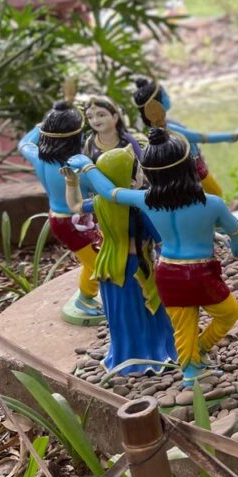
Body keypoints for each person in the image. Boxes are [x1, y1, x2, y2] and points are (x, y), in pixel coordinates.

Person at [68, 126, 238, 383]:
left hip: (168, 273)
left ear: (151, 173)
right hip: (202, 273)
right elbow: (235, 230)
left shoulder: (145, 200)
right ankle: (200, 350)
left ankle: (191, 367)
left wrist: (87, 167)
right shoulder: (212, 203)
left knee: (182, 326)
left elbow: (109, 192)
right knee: (228, 313)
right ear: (188, 168)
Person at [64, 147, 177, 375]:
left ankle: (126, 356)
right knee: (146, 313)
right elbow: (162, 242)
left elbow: (75, 206)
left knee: (122, 316)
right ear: (131, 180)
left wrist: (71, 183)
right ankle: (154, 354)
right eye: (138, 171)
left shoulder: (100, 203)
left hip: (108, 268)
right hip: (137, 271)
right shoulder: (141, 208)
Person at [18, 101, 105, 324]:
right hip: (74, 221)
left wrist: (42, 125)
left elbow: (24, 143)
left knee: (93, 259)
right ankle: (85, 299)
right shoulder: (76, 169)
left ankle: (88, 295)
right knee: (98, 264)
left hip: (58, 218)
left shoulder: (38, 158)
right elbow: (104, 191)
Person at [132, 77, 238, 197]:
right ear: (154, 106)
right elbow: (203, 137)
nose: (168, 97)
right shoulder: (169, 130)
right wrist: (235, 135)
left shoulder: (158, 130)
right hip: (196, 176)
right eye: (165, 95)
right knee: (215, 196)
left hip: (187, 177)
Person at [82, 95, 145, 162]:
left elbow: (142, 164)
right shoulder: (90, 142)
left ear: (115, 117)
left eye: (101, 115)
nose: (95, 120)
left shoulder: (128, 140)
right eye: (90, 117)